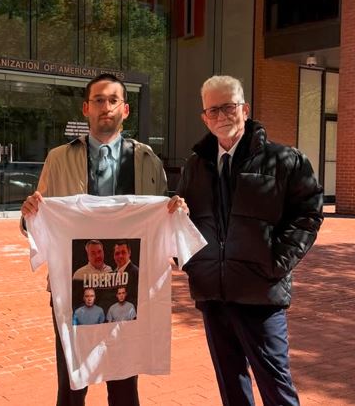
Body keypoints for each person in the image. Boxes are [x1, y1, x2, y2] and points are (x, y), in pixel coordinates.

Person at [20, 73, 187, 406]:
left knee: (124, 382)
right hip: (74, 286)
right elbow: (38, 220)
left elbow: (160, 218)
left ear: (125, 109)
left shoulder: (147, 159)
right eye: (98, 100)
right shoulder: (58, 158)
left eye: (113, 100)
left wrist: (175, 212)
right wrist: (28, 216)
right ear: (86, 108)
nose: (105, 107)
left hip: (128, 287)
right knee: (72, 383)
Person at [178, 75, 323, 406]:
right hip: (213, 294)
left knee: (276, 386)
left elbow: (308, 213)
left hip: (260, 292)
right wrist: (190, 263)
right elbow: (183, 221)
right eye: (213, 110)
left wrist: (277, 262)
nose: (221, 116)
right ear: (204, 117)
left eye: (228, 107)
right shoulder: (195, 165)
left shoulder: (284, 160)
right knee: (231, 386)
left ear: (245, 109)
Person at [112, 240, 139, 306]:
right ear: (114, 256)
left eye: (123, 252)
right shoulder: (112, 274)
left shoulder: (136, 273)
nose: (120, 256)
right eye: (117, 253)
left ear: (129, 253)